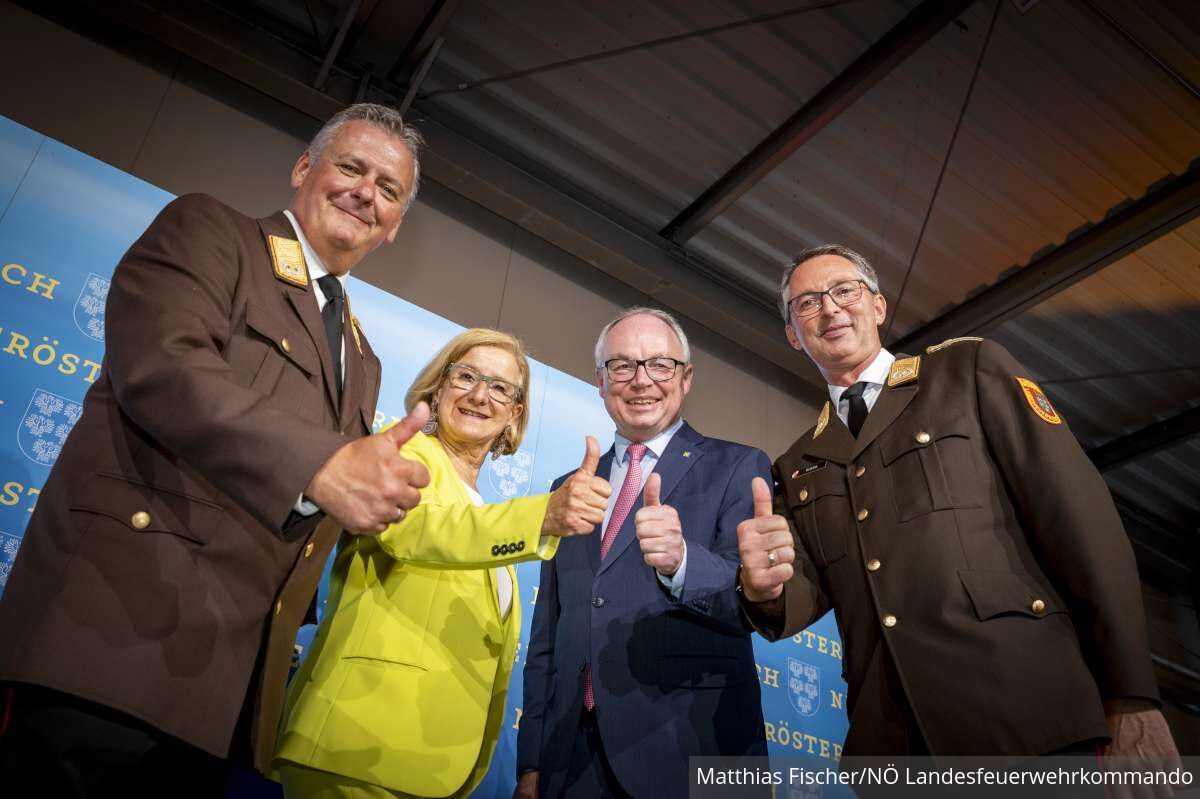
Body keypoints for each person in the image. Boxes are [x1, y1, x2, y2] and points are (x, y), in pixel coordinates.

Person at [0, 103, 433, 795]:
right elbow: (163, 366)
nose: (365, 192)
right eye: (351, 167)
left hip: (219, 692)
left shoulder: (363, 356)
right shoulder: (213, 232)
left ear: (396, 224)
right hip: (108, 642)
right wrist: (320, 464)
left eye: (388, 189)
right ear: (303, 168)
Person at [736, 245, 1181, 771]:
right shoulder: (797, 464)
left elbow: (1078, 520)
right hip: (899, 745)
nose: (829, 308)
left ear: (877, 305)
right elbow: (804, 597)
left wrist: (1130, 691)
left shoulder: (966, 369)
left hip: (1024, 711)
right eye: (807, 303)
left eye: (844, 290)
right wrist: (762, 588)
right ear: (793, 334)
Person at [274, 328, 612, 798]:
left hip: (430, 764)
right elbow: (419, 529)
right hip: (358, 747)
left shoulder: (482, 508)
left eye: (500, 388)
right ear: (437, 389)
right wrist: (542, 516)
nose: (480, 395)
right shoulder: (403, 456)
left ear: (515, 413)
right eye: (466, 377)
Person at [516, 308, 770, 799]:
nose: (641, 380)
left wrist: (683, 563)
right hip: (570, 761)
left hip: (689, 751)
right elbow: (547, 636)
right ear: (600, 381)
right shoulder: (570, 488)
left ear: (686, 377)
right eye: (622, 365)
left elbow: (754, 602)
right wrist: (532, 761)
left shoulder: (738, 466)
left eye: (659, 364)